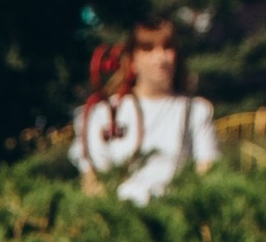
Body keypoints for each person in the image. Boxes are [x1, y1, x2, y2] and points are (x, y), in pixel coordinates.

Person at [72, 19, 219, 206]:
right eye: (148, 49)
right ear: (132, 60)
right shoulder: (104, 113)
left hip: (175, 215)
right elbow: (92, 181)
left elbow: (207, 173)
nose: (161, 58)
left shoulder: (195, 110)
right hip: (120, 216)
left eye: (167, 47)